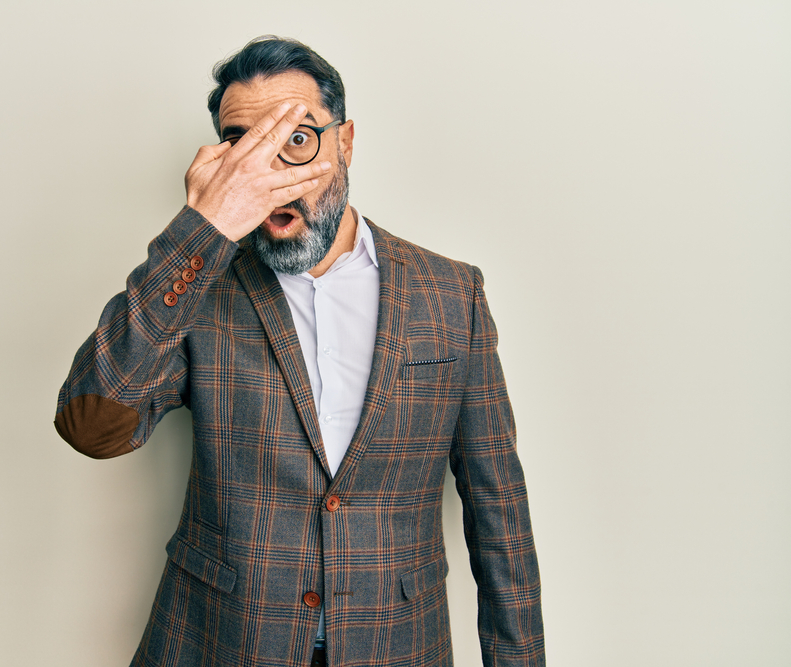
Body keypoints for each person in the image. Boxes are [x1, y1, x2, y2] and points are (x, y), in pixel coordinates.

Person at [54, 36, 544, 667]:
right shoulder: (199, 288)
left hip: (394, 645)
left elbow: (497, 504)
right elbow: (90, 427)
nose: (271, 172)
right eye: (244, 145)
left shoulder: (451, 293)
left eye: (297, 138)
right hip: (220, 644)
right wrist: (201, 230)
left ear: (343, 143)